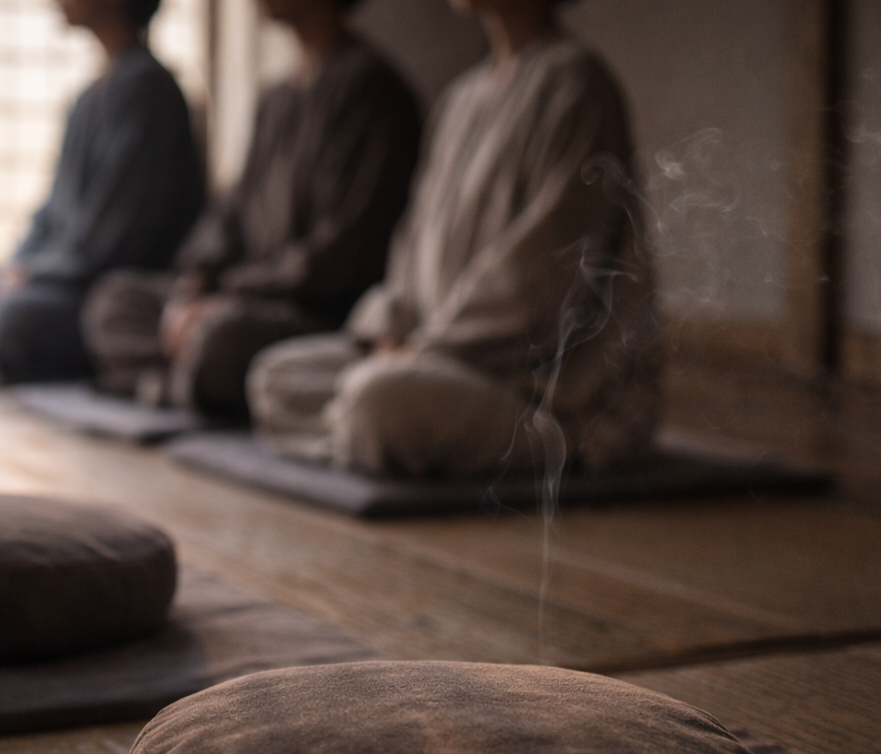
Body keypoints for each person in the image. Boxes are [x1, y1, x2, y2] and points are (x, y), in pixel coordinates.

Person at [248, 0, 664, 479]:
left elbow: (546, 271)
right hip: (433, 357)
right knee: (273, 377)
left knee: (376, 401)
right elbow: (412, 246)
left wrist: (429, 349)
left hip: (531, 384)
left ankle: (544, 441)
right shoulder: (459, 98)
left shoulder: (576, 83)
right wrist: (390, 331)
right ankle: (369, 433)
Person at [82, 0, 422, 418]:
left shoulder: (371, 90)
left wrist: (234, 294)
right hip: (241, 294)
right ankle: (192, 388)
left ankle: (174, 385)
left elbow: (345, 251)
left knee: (220, 341)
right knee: (112, 304)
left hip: (310, 309)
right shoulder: (276, 98)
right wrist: (198, 282)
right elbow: (232, 213)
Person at [0, 0, 205, 383]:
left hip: (102, 286)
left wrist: (36, 274)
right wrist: (17, 268)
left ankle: (3, 346)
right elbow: (51, 210)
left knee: (15, 320)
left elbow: (117, 229)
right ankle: (0, 348)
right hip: (58, 277)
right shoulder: (88, 97)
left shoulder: (149, 89)